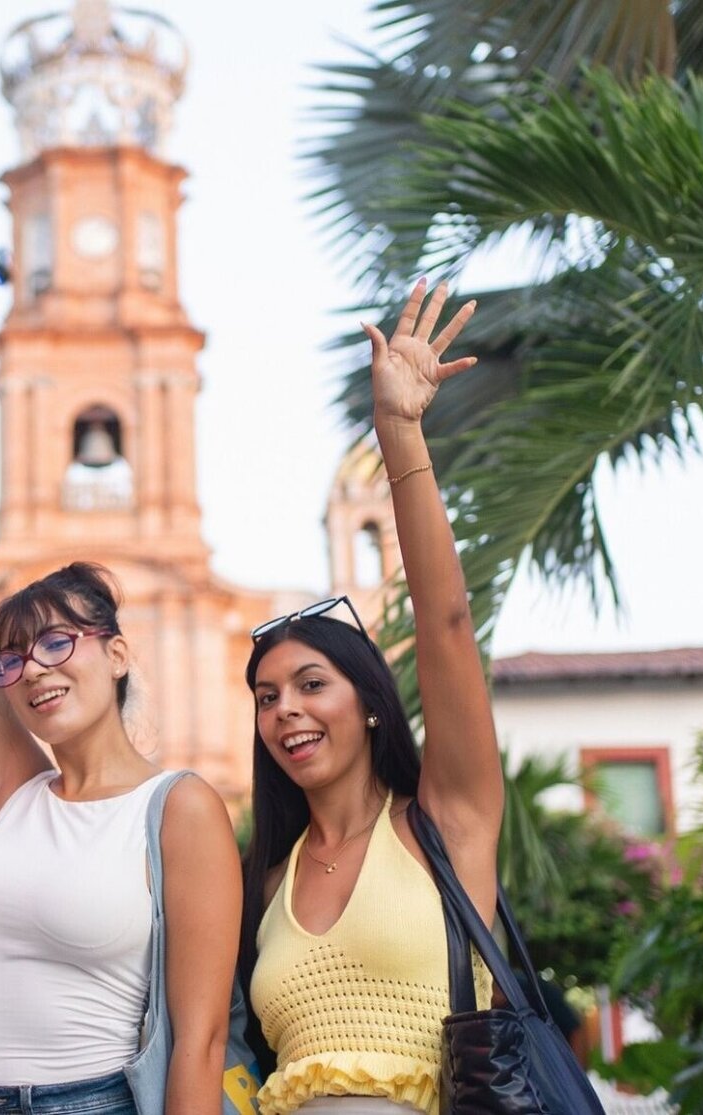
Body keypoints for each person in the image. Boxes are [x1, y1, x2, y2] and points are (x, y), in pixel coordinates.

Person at [0, 350, 241, 1115]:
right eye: (12, 658)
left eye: (58, 643)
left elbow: (201, 1038)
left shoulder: (180, 808)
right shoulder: (16, 790)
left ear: (116, 654)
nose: (35, 669)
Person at [238, 281, 503, 1115]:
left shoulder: (444, 823)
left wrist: (399, 436)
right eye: (266, 695)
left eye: (312, 684)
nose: (286, 709)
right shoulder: (268, 876)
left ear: (375, 703)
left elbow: (448, 625)